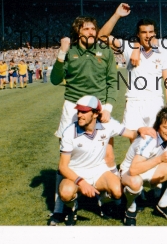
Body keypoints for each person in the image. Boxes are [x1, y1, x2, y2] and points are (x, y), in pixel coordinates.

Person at [48, 16, 118, 225]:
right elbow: (55, 79)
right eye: (85, 29)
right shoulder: (70, 52)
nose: (90, 32)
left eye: (93, 29)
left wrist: (108, 108)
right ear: (78, 32)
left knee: (107, 153)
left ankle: (104, 201)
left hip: (99, 108)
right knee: (66, 157)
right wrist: (61, 53)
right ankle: (61, 208)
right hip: (73, 106)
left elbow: (112, 81)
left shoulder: (105, 51)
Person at [57, 95, 155, 226]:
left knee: (118, 192)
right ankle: (72, 207)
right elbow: (62, 167)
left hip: (99, 171)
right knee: (66, 193)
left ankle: (101, 202)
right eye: (79, 111)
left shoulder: (107, 125)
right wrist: (81, 182)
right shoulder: (69, 132)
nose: (79, 115)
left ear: (96, 114)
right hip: (76, 172)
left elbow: (131, 134)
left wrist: (140, 130)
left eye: (84, 112)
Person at [98, 3, 167, 139]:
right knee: (135, 144)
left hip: (155, 101)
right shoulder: (129, 47)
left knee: (157, 143)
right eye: (144, 32)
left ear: (155, 32)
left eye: (150, 32)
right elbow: (102, 37)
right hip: (134, 101)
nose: (147, 35)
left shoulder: (163, 51)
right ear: (138, 34)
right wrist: (117, 15)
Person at [119, 107, 167, 225]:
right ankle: (130, 209)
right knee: (136, 182)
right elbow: (133, 170)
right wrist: (160, 159)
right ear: (158, 126)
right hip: (128, 172)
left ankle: (163, 204)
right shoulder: (149, 139)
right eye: (166, 127)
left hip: (150, 168)